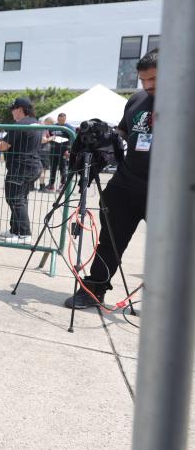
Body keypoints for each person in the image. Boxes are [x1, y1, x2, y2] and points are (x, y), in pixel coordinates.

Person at [66, 50, 158, 309]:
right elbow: (123, 132)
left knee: (171, 251)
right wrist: (103, 138)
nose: (147, 86)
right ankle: (94, 289)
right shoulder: (137, 100)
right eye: (143, 80)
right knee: (109, 240)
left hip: (167, 192)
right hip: (125, 184)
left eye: (153, 80)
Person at [0, 97, 43, 243]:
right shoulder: (36, 124)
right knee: (21, 199)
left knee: (15, 199)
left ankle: (24, 234)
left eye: (13, 109)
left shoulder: (21, 124)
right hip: (32, 166)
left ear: (20, 109)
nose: (11, 113)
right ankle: (15, 230)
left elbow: (3, 146)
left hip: (20, 167)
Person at [45, 112, 74, 192]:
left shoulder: (69, 128)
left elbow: (72, 139)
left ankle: (63, 184)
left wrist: (69, 150)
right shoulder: (53, 127)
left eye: (62, 120)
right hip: (54, 150)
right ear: (57, 119)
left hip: (64, 150)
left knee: (63, 168)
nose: (60, 121)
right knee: (52, 168)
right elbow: (49, 136)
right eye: (59, 120)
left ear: (65, 119)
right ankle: (51, 184)